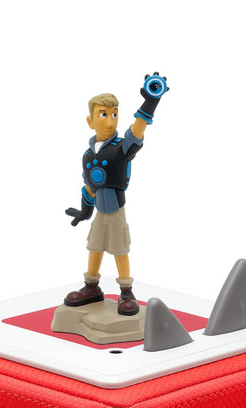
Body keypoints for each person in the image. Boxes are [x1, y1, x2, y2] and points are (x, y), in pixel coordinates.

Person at [65, 73, 168, 316]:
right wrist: (84, 211)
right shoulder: (88, 156)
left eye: (114, 114)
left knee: (120, 248)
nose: (110, 121)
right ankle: (91, 286)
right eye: (103, 114)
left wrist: (150, 101)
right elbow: (89, 187)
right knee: (94, 246)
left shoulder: (121, 148)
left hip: (116, 209)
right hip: (99, 212)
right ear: (90, 121)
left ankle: (126, 291)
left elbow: (137, 131)